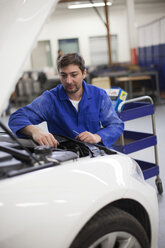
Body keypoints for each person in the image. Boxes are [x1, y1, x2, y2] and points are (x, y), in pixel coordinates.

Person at [8, 53, 124, 148]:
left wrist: (97, 137)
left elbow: (116, 125)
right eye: (64, 75)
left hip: (96, 152)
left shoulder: (99, 95)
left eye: (74, 75)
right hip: (65, 156)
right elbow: (16, 118)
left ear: (84, 73)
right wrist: (35, 131)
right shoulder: (51, 99)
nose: (68, 81)